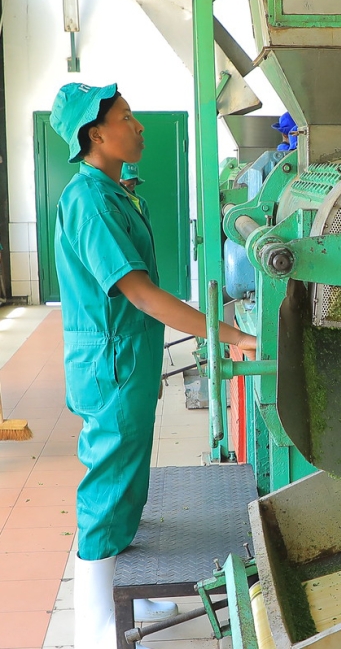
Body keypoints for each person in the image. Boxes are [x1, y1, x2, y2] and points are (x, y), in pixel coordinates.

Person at [50, 83, 258, 649]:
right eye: (127, 117)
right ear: (97, 134)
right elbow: (139, 293)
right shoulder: (89, 199)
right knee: (108, 484)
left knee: (129, 478)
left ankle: (131, 591)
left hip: (128, 356)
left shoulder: (118, 190)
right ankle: (92, 624)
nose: (138, 125)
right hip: (111, 359)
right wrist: (229, 333)